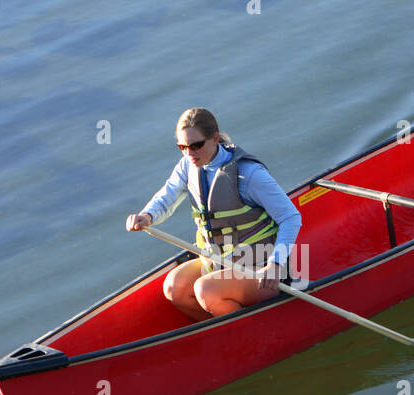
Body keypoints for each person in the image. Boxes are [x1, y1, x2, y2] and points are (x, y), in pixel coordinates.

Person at [126, 107, 302, 320]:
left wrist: (274, 265)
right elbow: (167, 196)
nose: (189, 153)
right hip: (220, 262)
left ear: (215, 138)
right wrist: (147, 216)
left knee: (204, 289)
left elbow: (291, 217)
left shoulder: (249, 175)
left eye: (196, 146)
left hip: (263, 269)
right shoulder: (187, 166)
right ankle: (225, 327)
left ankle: (246, 335)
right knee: (174, 288)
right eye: (182, 147)